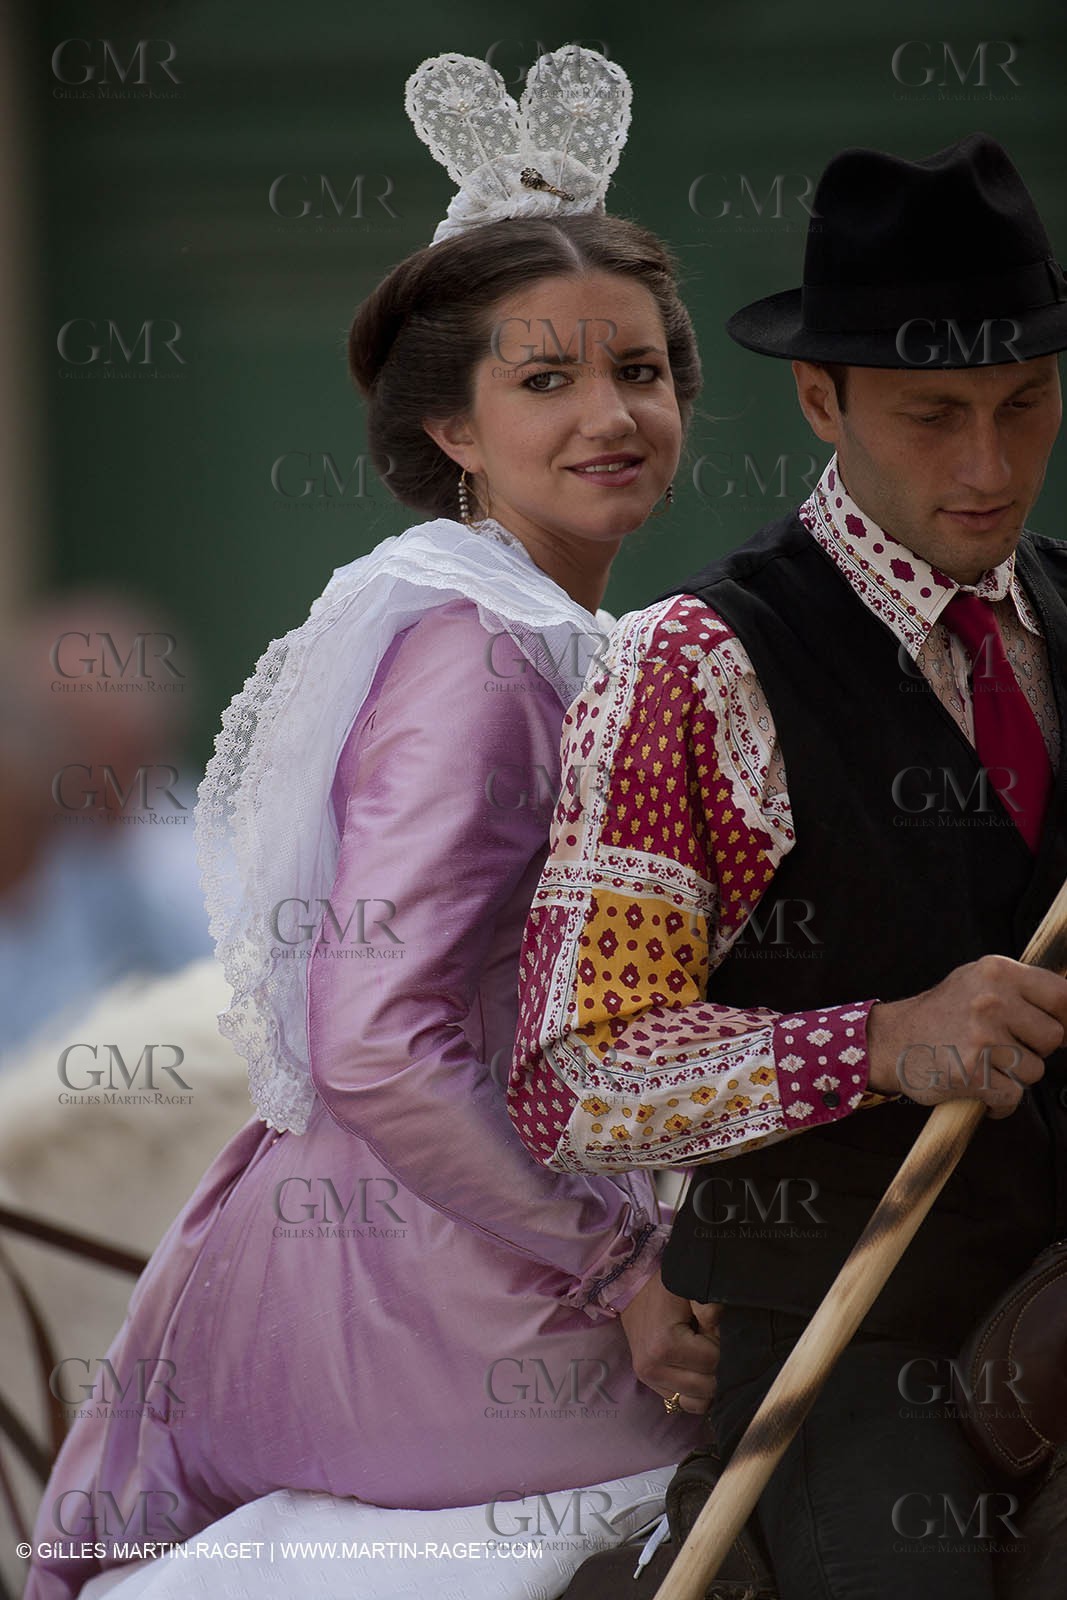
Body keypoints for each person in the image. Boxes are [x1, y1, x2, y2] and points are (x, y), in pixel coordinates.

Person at [26, 44, 719, 1600]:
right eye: (545, 381)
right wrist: (620, 1268)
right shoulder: (479, 653)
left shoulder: (557, 632)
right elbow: (379, 1041)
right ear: (454, 431)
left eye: (639, 370)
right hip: (445, 1297)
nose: (612, 414)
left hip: (477, 1231)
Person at [509, 132, 1067, 1600]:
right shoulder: (691, 667)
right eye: (934, 415)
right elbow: (576, 1073)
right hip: (852, 1344)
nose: (990, 466)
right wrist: (876, 1041)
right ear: (821, 399)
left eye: (1025, 403)